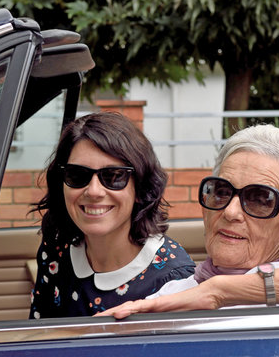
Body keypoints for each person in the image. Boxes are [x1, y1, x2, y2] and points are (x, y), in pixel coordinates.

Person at [97, 124, 279, 319]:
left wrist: (221, 291)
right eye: (222, 192)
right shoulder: (170, 295)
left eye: (259, 199)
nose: (230, 212)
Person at [29, 112, 195, 318]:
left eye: (114, 176)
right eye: (77, 175)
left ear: (140, 189)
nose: (94, 191)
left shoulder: (174, 278)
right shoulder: (56, 246)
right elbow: (39, 340)